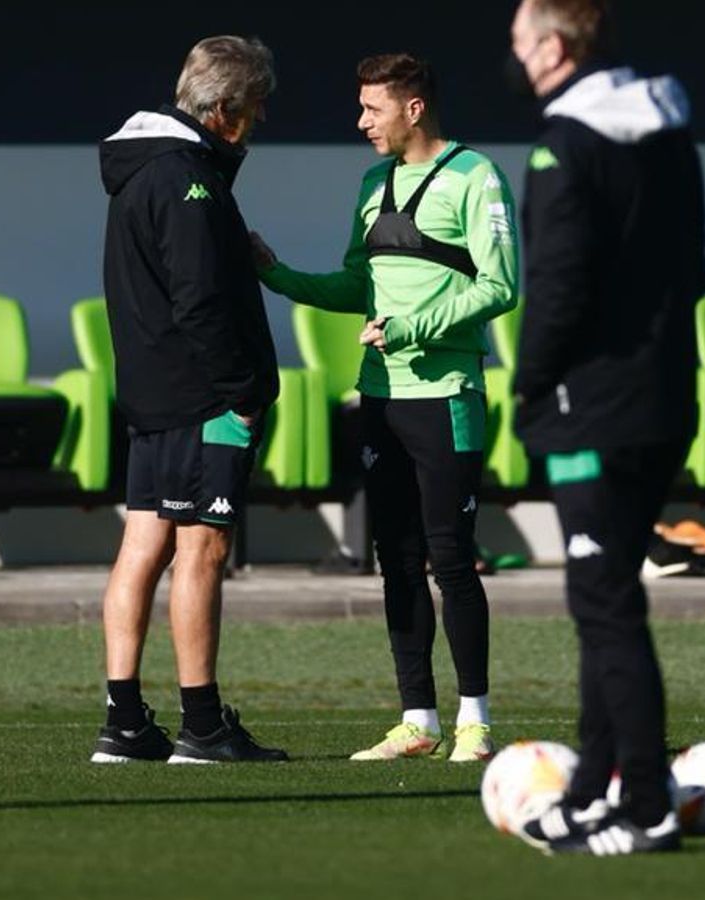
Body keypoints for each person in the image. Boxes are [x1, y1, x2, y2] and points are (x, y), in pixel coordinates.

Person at [252, 54, 519, 763]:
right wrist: (277, 276)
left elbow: (501, 286)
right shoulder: (372, 183)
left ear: (414, 109)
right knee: (394, 562)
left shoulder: (476, 177)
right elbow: (355, 286)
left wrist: (412, 328)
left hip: (446, 397)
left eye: (372, 108)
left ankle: (475, 722)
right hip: (381, 397)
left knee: (451, 560)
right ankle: (418, 721)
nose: (360, 121)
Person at [505, 0, 705, 855]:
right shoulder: (671, 132)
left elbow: (558, 288)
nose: (514, 59)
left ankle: (646, 803)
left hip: (591, 405)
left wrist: (530, 388)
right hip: (667, 400)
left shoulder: (563, 145)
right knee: (607, 602)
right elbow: (697, 269)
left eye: (519, 44)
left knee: (606, 605)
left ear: (555, 47)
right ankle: (594, 789)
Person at [90, 36, 287, 764]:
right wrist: (241, 394)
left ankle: (124, 720)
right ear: (226, 110)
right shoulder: (188, 179)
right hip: (202, 399)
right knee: (202, 549)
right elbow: (200, 300)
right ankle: (201, 724)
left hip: (152, 395)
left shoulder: (144, 169)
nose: (258, 123)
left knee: (142, 547)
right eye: (256, 108)